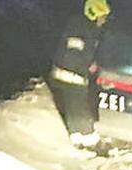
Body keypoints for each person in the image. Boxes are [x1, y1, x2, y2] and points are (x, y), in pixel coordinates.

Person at [47, 0, 111, 151]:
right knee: (81, 110)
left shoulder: (81, 27)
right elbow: (73, 55)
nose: (104, 20)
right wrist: (88, 66)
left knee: (74, 110)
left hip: (68, 75)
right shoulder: (83, 29)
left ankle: (78, 142)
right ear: (94, 14)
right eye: (102, 16)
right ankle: (92, 144)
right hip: (72, 76)